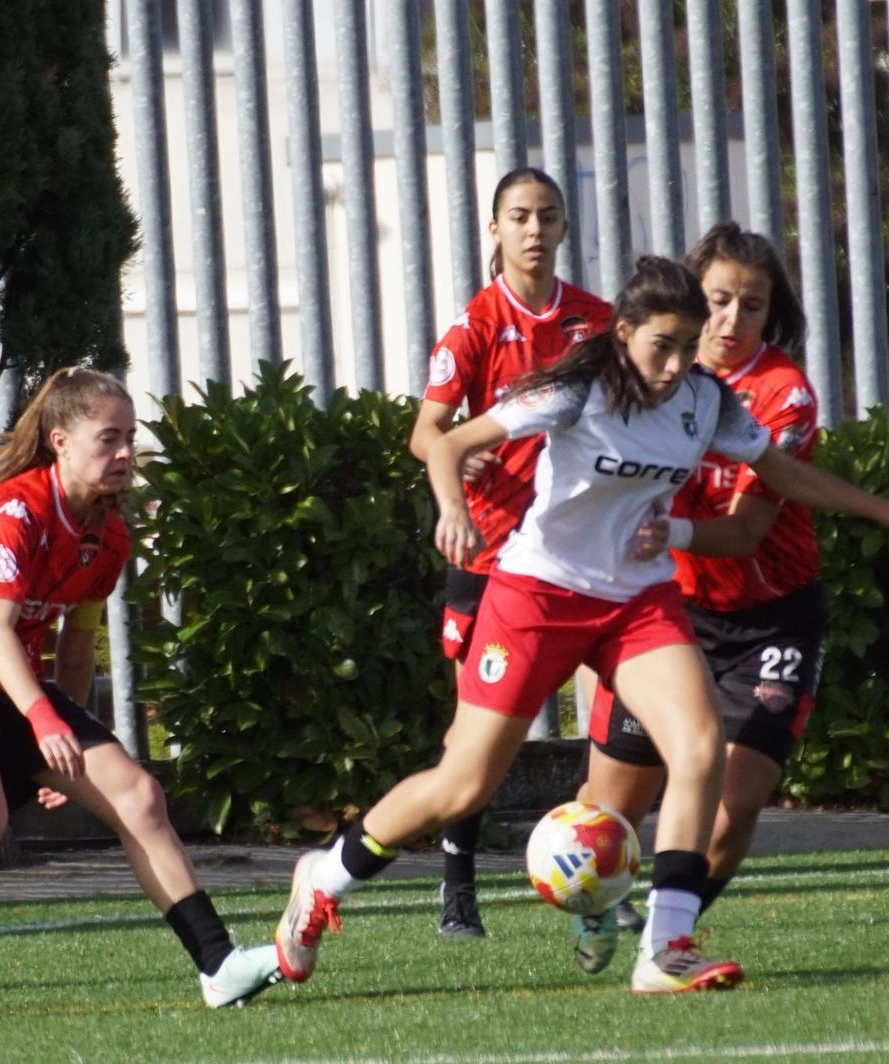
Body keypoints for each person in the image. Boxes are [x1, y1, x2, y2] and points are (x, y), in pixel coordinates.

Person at [272, 257, 889, 995]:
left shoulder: (707, 400)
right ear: (625, 332)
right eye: (661, 346)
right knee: (464, 784)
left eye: (687, 346)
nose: (674, 366)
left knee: (700, 750)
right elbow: (445, 441)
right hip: (538, 594)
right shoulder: (578, 387)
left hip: (636, 602)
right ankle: (323, 878)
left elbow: (786, 476)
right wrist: (453, 508)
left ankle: (665, 949)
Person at [0, 367, 280, 1027]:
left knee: (140, 796)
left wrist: (61, 736)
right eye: (108, 439)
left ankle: (217, 965)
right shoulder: (16, 511)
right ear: (60, 440)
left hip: (16, 686)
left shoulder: (111, 536)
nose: (125, 454)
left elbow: (74, 646)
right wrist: (44, 723)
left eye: (131, 438)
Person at [569, 221, 842, 974]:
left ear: (770, 314)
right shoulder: (648, 372)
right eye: (718, 300)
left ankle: (670, 933)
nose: (730, 320)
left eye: (751, 306)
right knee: (606, 814)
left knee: (737, 799)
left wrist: (672, 532)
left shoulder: (783, 395)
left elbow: (749, 530)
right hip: (668, 612)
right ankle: (594, 910)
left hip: (772, 618)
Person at [409, 166, 611, 939]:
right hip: (492, 552)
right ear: (494, 229)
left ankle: (600, 879)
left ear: (563, 229)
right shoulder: (475, 324)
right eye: (519, 216)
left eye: (548, 216)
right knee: (479, 729)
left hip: (581, 545)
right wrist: (455, 468)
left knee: (612, 713)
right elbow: (427, 430)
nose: (534, 229)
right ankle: (458, 887)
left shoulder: (597, 322)